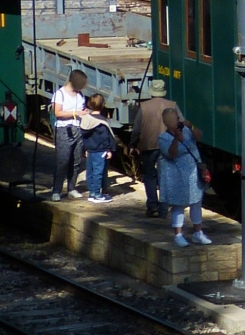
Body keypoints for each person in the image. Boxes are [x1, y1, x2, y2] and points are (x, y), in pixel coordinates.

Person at [131, 79, 194, 217]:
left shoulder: (144, 107)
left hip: (148, 146)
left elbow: (136, 130)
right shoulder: (172, 105)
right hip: (168, 145)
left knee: (149, 176)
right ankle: (164, 208)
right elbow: (182, 124)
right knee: (165, 176)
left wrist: (133, 145)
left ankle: (152, 206)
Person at [158, 107, 211, 247]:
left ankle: (198, 233)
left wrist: (191, 126)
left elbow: (199, 136)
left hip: (193, 174)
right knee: (178, 205)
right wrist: (177, 139)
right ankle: (178, 235)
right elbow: (171, 153)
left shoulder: (186, 130)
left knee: (196, 203)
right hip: (177, 177)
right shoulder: (163, 138)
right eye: (176, 118)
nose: (178, 120)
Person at [50, 69, 88, 201]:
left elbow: (80, 110)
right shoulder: (59, 94)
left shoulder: (80, 95)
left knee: (76, 161)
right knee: (63, 161)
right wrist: (75, 113)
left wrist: (84, 113)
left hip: (77, 129)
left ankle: (71, 187)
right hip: (63, 130)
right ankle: (56, 190)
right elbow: (58, 113)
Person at [80, 93, 116, 203]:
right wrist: (109, 149)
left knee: (90, 171)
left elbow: (84, 136)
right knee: (98, 172)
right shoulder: (102, 122)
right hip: (100, 150)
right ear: (103, 105)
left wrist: (85, 149)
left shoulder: (86, 119)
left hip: (90, 150)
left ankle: (91, 193)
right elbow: (105, 137)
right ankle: (97, 194)